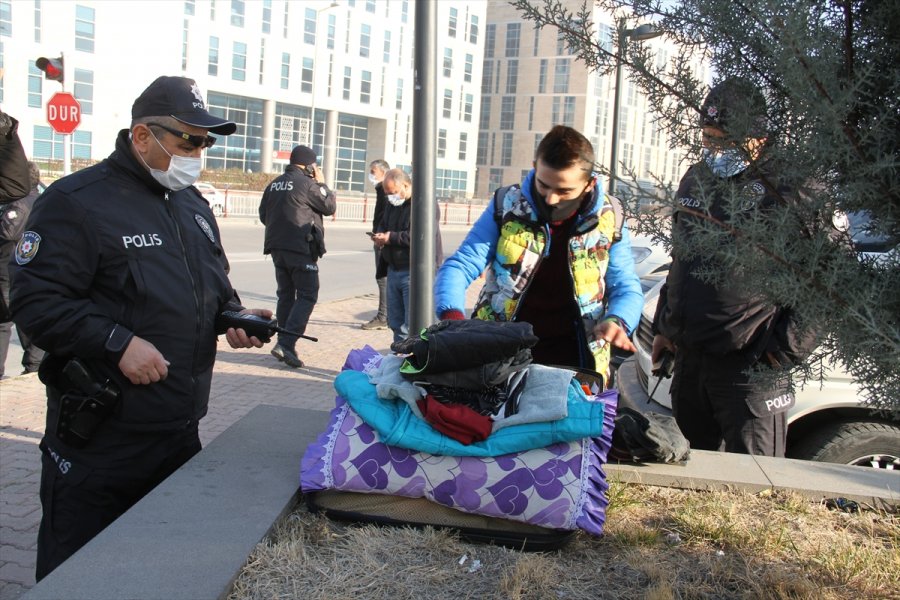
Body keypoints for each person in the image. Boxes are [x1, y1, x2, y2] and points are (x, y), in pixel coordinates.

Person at [9, 75, 272, 580]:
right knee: (78, 577)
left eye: (206, 141)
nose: (199, 152)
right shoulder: (77, 201)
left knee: (159, 572)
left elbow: (210, 289)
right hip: (102, 442)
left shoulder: (193, 206)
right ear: (141, 136)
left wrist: (233, 316)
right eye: (188, 140)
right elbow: (35, 300)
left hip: (178, 431)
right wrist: (117, 342)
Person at [651, 78, 817, 457]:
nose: (715, 149)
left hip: (750, 370)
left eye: (725, 140)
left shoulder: (792, 188)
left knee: (753, 490)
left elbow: (826, 283)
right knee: (685, 473)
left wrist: (781, 353)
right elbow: (682, 259)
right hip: (691, 360)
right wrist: (666, 325)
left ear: (760, 135)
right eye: (708, 137)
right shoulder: (696, 177)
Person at [434, 125, 643, 384]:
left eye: (564, 191)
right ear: (534, 165)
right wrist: (453, 320)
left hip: (577, 361)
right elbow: (461, 265)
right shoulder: (506, 205)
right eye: (543, 185)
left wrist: (618, 319)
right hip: (501, 354)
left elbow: (626, 285)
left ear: (590, 184)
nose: (551, 199)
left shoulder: (610, 218)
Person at [258, 145, 336, 368]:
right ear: (310, 165)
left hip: (277, 248)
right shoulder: (309, 184)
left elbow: (264, 215)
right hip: (301, 248)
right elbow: (329, 206)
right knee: (307, 295)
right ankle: (286, 343)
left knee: (285, 295)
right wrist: (322, 183)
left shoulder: (273, 185)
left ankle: (284, 341)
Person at [372, 168, 443, 343]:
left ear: (405, 185)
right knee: (396, 323)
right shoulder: (392, 203)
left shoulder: (424, 203)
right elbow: (382, 222)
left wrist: (391, 238)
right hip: (393, 270)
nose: (389, 197)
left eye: (392, 192)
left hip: (414, 272)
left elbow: (420, 236)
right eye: (387, 193)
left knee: (415, 325)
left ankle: (418, 361)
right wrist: (380, 235)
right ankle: (400, 358)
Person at [1, 161, 45, 377]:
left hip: (12, 269)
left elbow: (8, 233)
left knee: (12, 319)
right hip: (21, 270)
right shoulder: (40, 199)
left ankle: (33, 367)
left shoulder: (21, 203)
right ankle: (32, 366)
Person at [361, 159, 390, 330]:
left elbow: (385, 217)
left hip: (383, 241)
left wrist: (381, 235)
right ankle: (386, 316)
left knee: (383, 278)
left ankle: (383, 316)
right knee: (386, 279)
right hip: (381, 238)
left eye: (373, 172)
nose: (370, 175)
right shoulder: (382, 190)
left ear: (383, 173)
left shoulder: (386, 191)